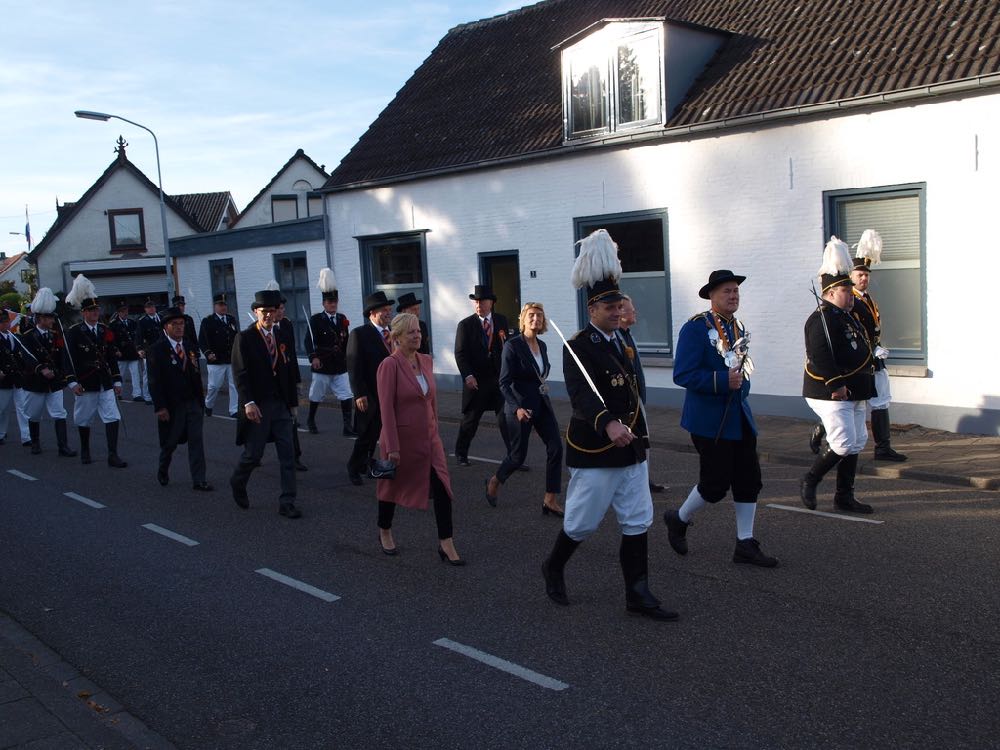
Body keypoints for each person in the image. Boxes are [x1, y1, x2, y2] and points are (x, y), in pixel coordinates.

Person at [541, 229, 677, 621]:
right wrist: (608, 425)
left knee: (637, 521)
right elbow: (581, 396)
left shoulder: (625, 342)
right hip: (598, 448)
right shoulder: (578, 346)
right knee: (581, 523)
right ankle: (554, 565)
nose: (618, 312)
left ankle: (638, 593)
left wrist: (640, 436)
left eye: (619, 306)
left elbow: (633, 392)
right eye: (610, 307)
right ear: (592, 310)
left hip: (632, 446)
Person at [664, 270, 777, 567]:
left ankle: (745, 543)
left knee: (749, 480)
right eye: (727, 291)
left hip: (739, 417)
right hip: (708, 421)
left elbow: (742, 370)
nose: (733, 295)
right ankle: (678, 518)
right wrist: (720, 381)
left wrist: (742, 384)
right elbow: (683, 374)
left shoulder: (737, 327)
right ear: (711, 296)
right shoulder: (696, 328)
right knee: (714, 486)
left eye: (736, 290)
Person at [375, 313, 463, 564]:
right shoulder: (389, 366)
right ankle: (385, 529)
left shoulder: (426, 361)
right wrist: (391, 446)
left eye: (418, 331)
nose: (417, 335)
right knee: (389, 488)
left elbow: (431, 400)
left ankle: (446, 543)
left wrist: (435, 429)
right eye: (411, 332)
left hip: (429, 440)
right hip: (400, 441)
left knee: (443, 487)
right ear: (398, 338)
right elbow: (386, 409)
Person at [800, 237, 877, 514]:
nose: (851, 292)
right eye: (846, 289)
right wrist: (837, 385)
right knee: (843, 443)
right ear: (832, 292)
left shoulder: (847, 315)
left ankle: (844, 496)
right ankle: (810, 480)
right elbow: (820, 355)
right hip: (831, 391)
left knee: (857, 441)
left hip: (855, 389)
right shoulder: (821, 319)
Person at [229, 289, 302, 518]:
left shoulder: (281, 335)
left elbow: (288, 370)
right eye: (265, 311)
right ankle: (238, 481)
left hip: (280, 404)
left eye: (272, 311)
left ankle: (287, 501)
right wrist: (248, 402)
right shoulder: (245, 338)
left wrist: (292, 402)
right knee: (254, 454)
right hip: (258, 405)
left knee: (287, 454)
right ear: (255, 312)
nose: (269, 315)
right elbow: (240, 373)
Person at [485, 302, 563, 515]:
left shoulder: (543, 345)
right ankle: (494, 481)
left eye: (539, 315)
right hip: (521, 408)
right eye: (531, 315)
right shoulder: (513, 345)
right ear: (523, 318)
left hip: (542, 403)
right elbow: (503, 382)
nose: (535, 319)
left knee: (556, 447)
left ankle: (550, 499)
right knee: (518, 456)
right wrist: (517, 408)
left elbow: (541, 373)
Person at [851, 230, 907, 462]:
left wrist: (878, 348)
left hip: (875, 357)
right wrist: (870, 349)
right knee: (850, 402)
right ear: (851, 275)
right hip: (858, 359)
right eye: (860, 274)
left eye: (866, 275)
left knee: (882, 398)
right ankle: (822, 431)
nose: (864, 278)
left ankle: (882, 448)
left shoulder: (869, 299)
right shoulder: (849, 300)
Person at [63, 275, 126, 468]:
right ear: (83, 313)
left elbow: (111, 357)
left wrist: (117, 380)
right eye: (90, 310)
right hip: (85, 381)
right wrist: (72, 382)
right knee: (84, 418)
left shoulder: (104, 330)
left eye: (96, 310)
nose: (95, 313)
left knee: (112, 416)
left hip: (104, 381)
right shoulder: (74, 332)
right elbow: (68, 359)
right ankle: (85, 450)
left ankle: (113, 454)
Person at [147, 307, 212, 491]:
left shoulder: (190, 347)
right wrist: (160, 407)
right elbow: (154, 381)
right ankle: (163, 468)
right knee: (170, 442)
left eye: (181, 323)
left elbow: (196, 375)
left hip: (192, 403)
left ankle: (199, 479)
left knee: (196, 441)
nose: (179, 327)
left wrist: (201, 402)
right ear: (165, 327)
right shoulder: (156, 350)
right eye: (174, 324)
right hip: (172, 405)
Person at [453, 285, 511, 466]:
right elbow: (460, 353)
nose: (478, 304)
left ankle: (514, 457)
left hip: (498, 380)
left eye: (482, 301)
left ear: (491, 303)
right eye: (476, 301)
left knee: (506, 419)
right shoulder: (465, 325)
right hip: (477, 380)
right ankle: (461, 453)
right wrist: (468, 375)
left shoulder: (501, 321)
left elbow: (507, 348)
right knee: (471, 420)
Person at [345, 291, 395, 486]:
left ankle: (368, 464)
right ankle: (354, 466)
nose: (388, 313)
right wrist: (359, 394)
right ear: (372, 314)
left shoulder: (392, 333)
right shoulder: (360, 334)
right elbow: (353, 366)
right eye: (384, 310)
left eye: (389, 309)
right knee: (367, 434)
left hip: (390, 393)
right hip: (370, 394)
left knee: (383, 433)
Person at [20, 288, 76, 457]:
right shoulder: (28, 336)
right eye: (49, 317)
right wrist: (40, 369)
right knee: (34, 414)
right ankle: (35, 442)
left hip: (54, 381)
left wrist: (65, 375)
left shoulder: (55, 335)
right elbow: (26, 357)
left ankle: (63, 446)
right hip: (36, 382)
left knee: (59, 412)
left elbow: (61, 356)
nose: (52, 320)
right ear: (41, 318)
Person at [618, 295, 666, 494]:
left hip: (637, 399)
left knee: (644, 441)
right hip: (627, 403)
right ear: (620, 313)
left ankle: (644, 480)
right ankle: (635, 483)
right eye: (631, 309)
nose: (634, 312)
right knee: (632, 441)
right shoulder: (617, 339)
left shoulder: (629, 335)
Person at [304, 268, 355, 436]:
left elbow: (346, 340)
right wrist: (314, 358)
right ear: (324, 304)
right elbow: (308, 341)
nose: (332, 304)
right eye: (329, 302)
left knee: (347, 395)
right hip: (323, 363)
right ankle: (311, 420)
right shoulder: (316, 320)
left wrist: (350, 359)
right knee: (316, 395)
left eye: (335, 301)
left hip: (339, 364)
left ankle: (347, 427)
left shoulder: (342, 319)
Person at [272, 292, 308, 472]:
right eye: (279, 308)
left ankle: (295, 456)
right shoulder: (263, 330)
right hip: (272, 384)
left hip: (288, 381)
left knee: (291, 421)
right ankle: (253, 451)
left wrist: (297, 379)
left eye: (283, 308)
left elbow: (292, 354)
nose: (282, 311)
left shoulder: (286, 324)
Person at [198, 293, 239, 418]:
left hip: (230, 358)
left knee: (234, 385)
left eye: (225, 305)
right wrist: (208, 353)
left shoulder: (231, 319)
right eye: (221, 305)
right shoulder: (208, 321)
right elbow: (202, 340)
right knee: (214, 386)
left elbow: (236, 337)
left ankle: (234, 410)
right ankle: (208, 405)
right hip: (216, 360)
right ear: (215, 306)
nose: (223, 307)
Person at [0, 309, 27, 445]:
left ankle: (26, 436)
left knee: (23, 407)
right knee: (2, 409)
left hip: (17, 377)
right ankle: (1, 433)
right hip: (4, 378)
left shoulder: (15, 337)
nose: (6, 324)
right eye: (3, 322)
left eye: (7, 321)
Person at [108, 300, 143, 402]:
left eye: (126, 311)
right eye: (123, 311)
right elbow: (111, 340)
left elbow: (137, 337)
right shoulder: (113, 324)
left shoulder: (132, 323)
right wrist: (115, 350)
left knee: (135, 374)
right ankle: (118, 393)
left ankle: (137, 394)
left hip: (132, 353)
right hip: (121, 354)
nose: (125, 313)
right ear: (118, 313)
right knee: (119, 375)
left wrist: (139, 349)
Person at [135, 298, 162, 404]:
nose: (151, 309)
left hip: (162, 350)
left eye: (153, 307)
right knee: (148, 374)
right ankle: (147, 396)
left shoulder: (161, 318)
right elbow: (139, 336)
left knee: (162, 373)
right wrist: (140, 349)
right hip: (149, 350)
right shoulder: (142, 321)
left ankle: (160, 394)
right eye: (149, 307)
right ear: (145, 309)